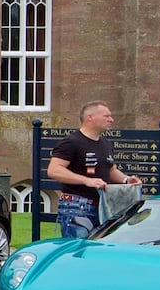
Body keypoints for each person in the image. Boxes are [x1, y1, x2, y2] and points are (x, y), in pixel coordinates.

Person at [45, 101, 142, 238]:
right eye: (106, 116)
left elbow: (110, 170)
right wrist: (86, 181)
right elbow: (54, 170)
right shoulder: (71, 142)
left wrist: (126, 180)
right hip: (77, 206)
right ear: (90, 117)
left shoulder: (105, 143)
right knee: (79, 251)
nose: (111, 119)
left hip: (103, 206)